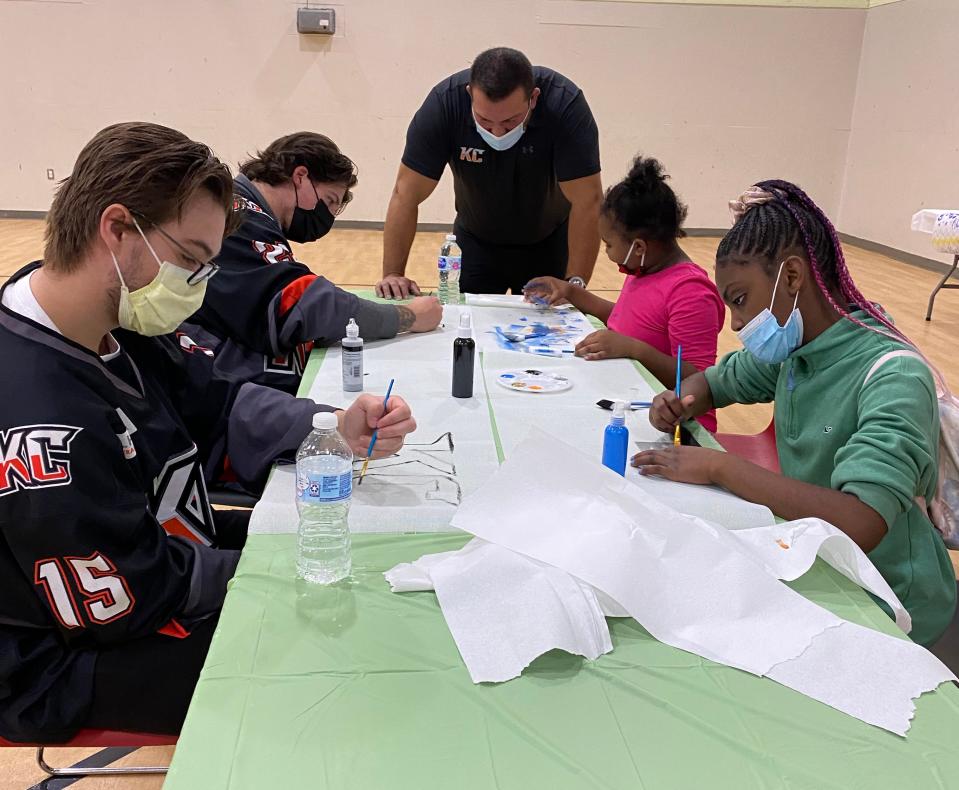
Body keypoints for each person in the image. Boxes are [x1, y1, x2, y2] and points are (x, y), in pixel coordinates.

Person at [0, 122, 417, 743]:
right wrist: (267, 568)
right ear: (117, 230)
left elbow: (216, 403)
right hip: (68, 656)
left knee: (355, 544)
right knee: (330, 668)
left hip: (159, 553)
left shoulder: (113, 317)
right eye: (191, 260)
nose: (197, 285)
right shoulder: (42, 422)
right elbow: (126, 596)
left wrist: (332, 424)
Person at [632, 179, 955, 646]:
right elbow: (718, 382)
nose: (738, 324)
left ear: (791, 278)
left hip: (890, 602)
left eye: (740, 300)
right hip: (819, 558)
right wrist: (681, 398)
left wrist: (722, 467)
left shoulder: (894, 376)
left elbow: (862, 521)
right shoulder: (794, 346)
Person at [187, 132, 442, 394]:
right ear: (300, 177)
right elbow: (307, 304)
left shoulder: (248, 209)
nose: (327, 218)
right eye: (330, 200)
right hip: (212, 376)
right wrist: (406, 317)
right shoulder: (243, 216)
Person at [375, 47, 603, 299]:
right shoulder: (444, 105)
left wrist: (576, 284)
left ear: (534, 99)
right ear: (470, 95)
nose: (497, 132)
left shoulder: (564, 105)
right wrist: (393, 273)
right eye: (484, 121)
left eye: (510, 122)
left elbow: (588, 201)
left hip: (548, 242)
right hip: (475, 241)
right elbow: (405, 193)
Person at [524, 156, 724, 432]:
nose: (607, 253)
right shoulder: (644, 270)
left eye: (608, 245)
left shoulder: (690, 293)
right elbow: (626, 320)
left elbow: (698, 381)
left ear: (639, 247)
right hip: (631, 397)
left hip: (677, 429)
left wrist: (633, 349)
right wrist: (570, 291)